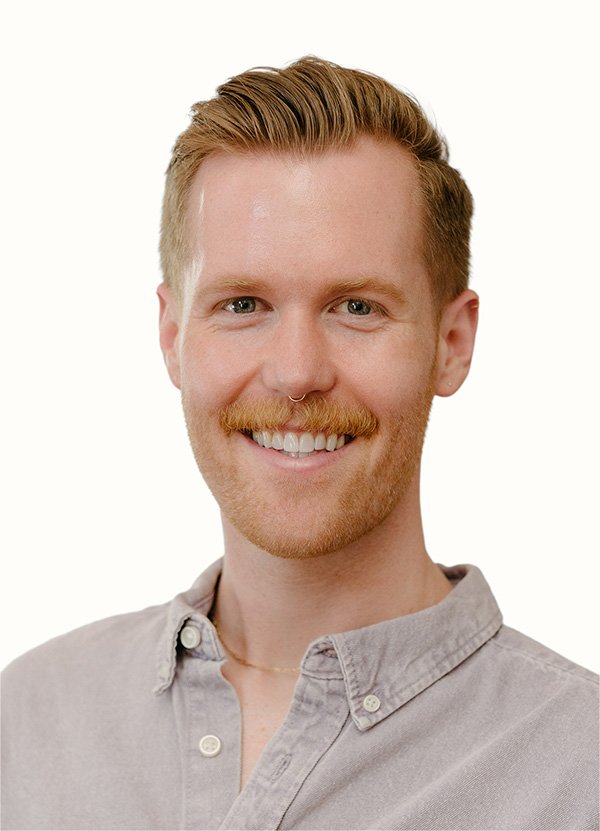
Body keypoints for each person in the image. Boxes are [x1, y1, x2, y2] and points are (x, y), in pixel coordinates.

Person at [2, 56, 598, 831]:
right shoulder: (30, 724)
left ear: (453, 342)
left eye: (356, 306)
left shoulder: (580, 770)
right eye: (243, 303)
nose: (296, 373)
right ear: (172, 335)